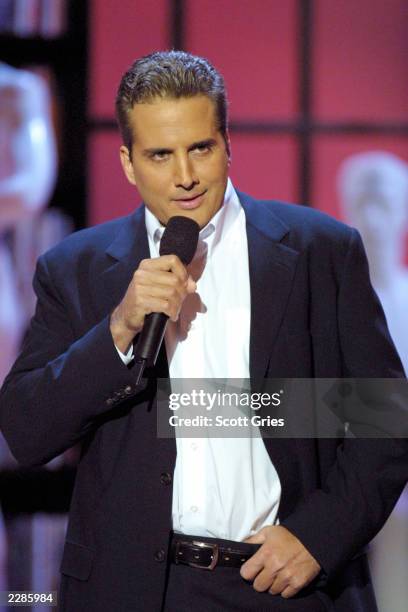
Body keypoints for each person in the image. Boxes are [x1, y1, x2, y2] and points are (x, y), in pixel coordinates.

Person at [0, 51, 407, 612]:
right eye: (161, 155)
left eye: (201, 148)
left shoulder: (320, 250)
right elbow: (25, 430)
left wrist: (318, 536)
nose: (185, 176)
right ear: (127, 162)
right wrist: (117, 330)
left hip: (288, 583)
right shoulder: (76, 268)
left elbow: (384, 422)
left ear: (226, 144)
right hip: (136, 591)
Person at [338, 151, 408, 612]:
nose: (374, 219)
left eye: (384, 204)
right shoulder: (331, 301)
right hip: (346, 485)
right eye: (362, 204)